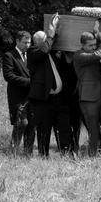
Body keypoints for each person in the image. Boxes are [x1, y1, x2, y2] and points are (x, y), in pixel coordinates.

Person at [26, 26, 74, 156]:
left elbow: (66, 68)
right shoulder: (32, 52)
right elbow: (43, 51)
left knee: (64, 127)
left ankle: (65, 154)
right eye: (47, 40)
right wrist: (51, 35)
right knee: (44, 129)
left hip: (60, 98)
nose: (50, 42)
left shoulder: (54, 54)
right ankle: (43, 155)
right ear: (38, 42)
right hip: (44, 99)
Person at [73, 29, 101, 155]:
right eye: (90, 45)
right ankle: (93, 156)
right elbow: (96, 56)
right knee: (94, 131)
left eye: (94, 45)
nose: (93, 48)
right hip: (88, 98)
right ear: (82, 45)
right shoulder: (78, 55)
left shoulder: (94, 53)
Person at [2, 31, 35, 152]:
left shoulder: (31, 55)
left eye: (29, 42)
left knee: (32, 125)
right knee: (21, 122)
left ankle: (28, 152)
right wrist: (29, 81)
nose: (27, 45)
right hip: (17, 96)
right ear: (17, 41)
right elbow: (8, 76)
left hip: (31, 96)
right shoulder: (9, 55)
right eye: (25, 42)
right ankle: (13, 150)